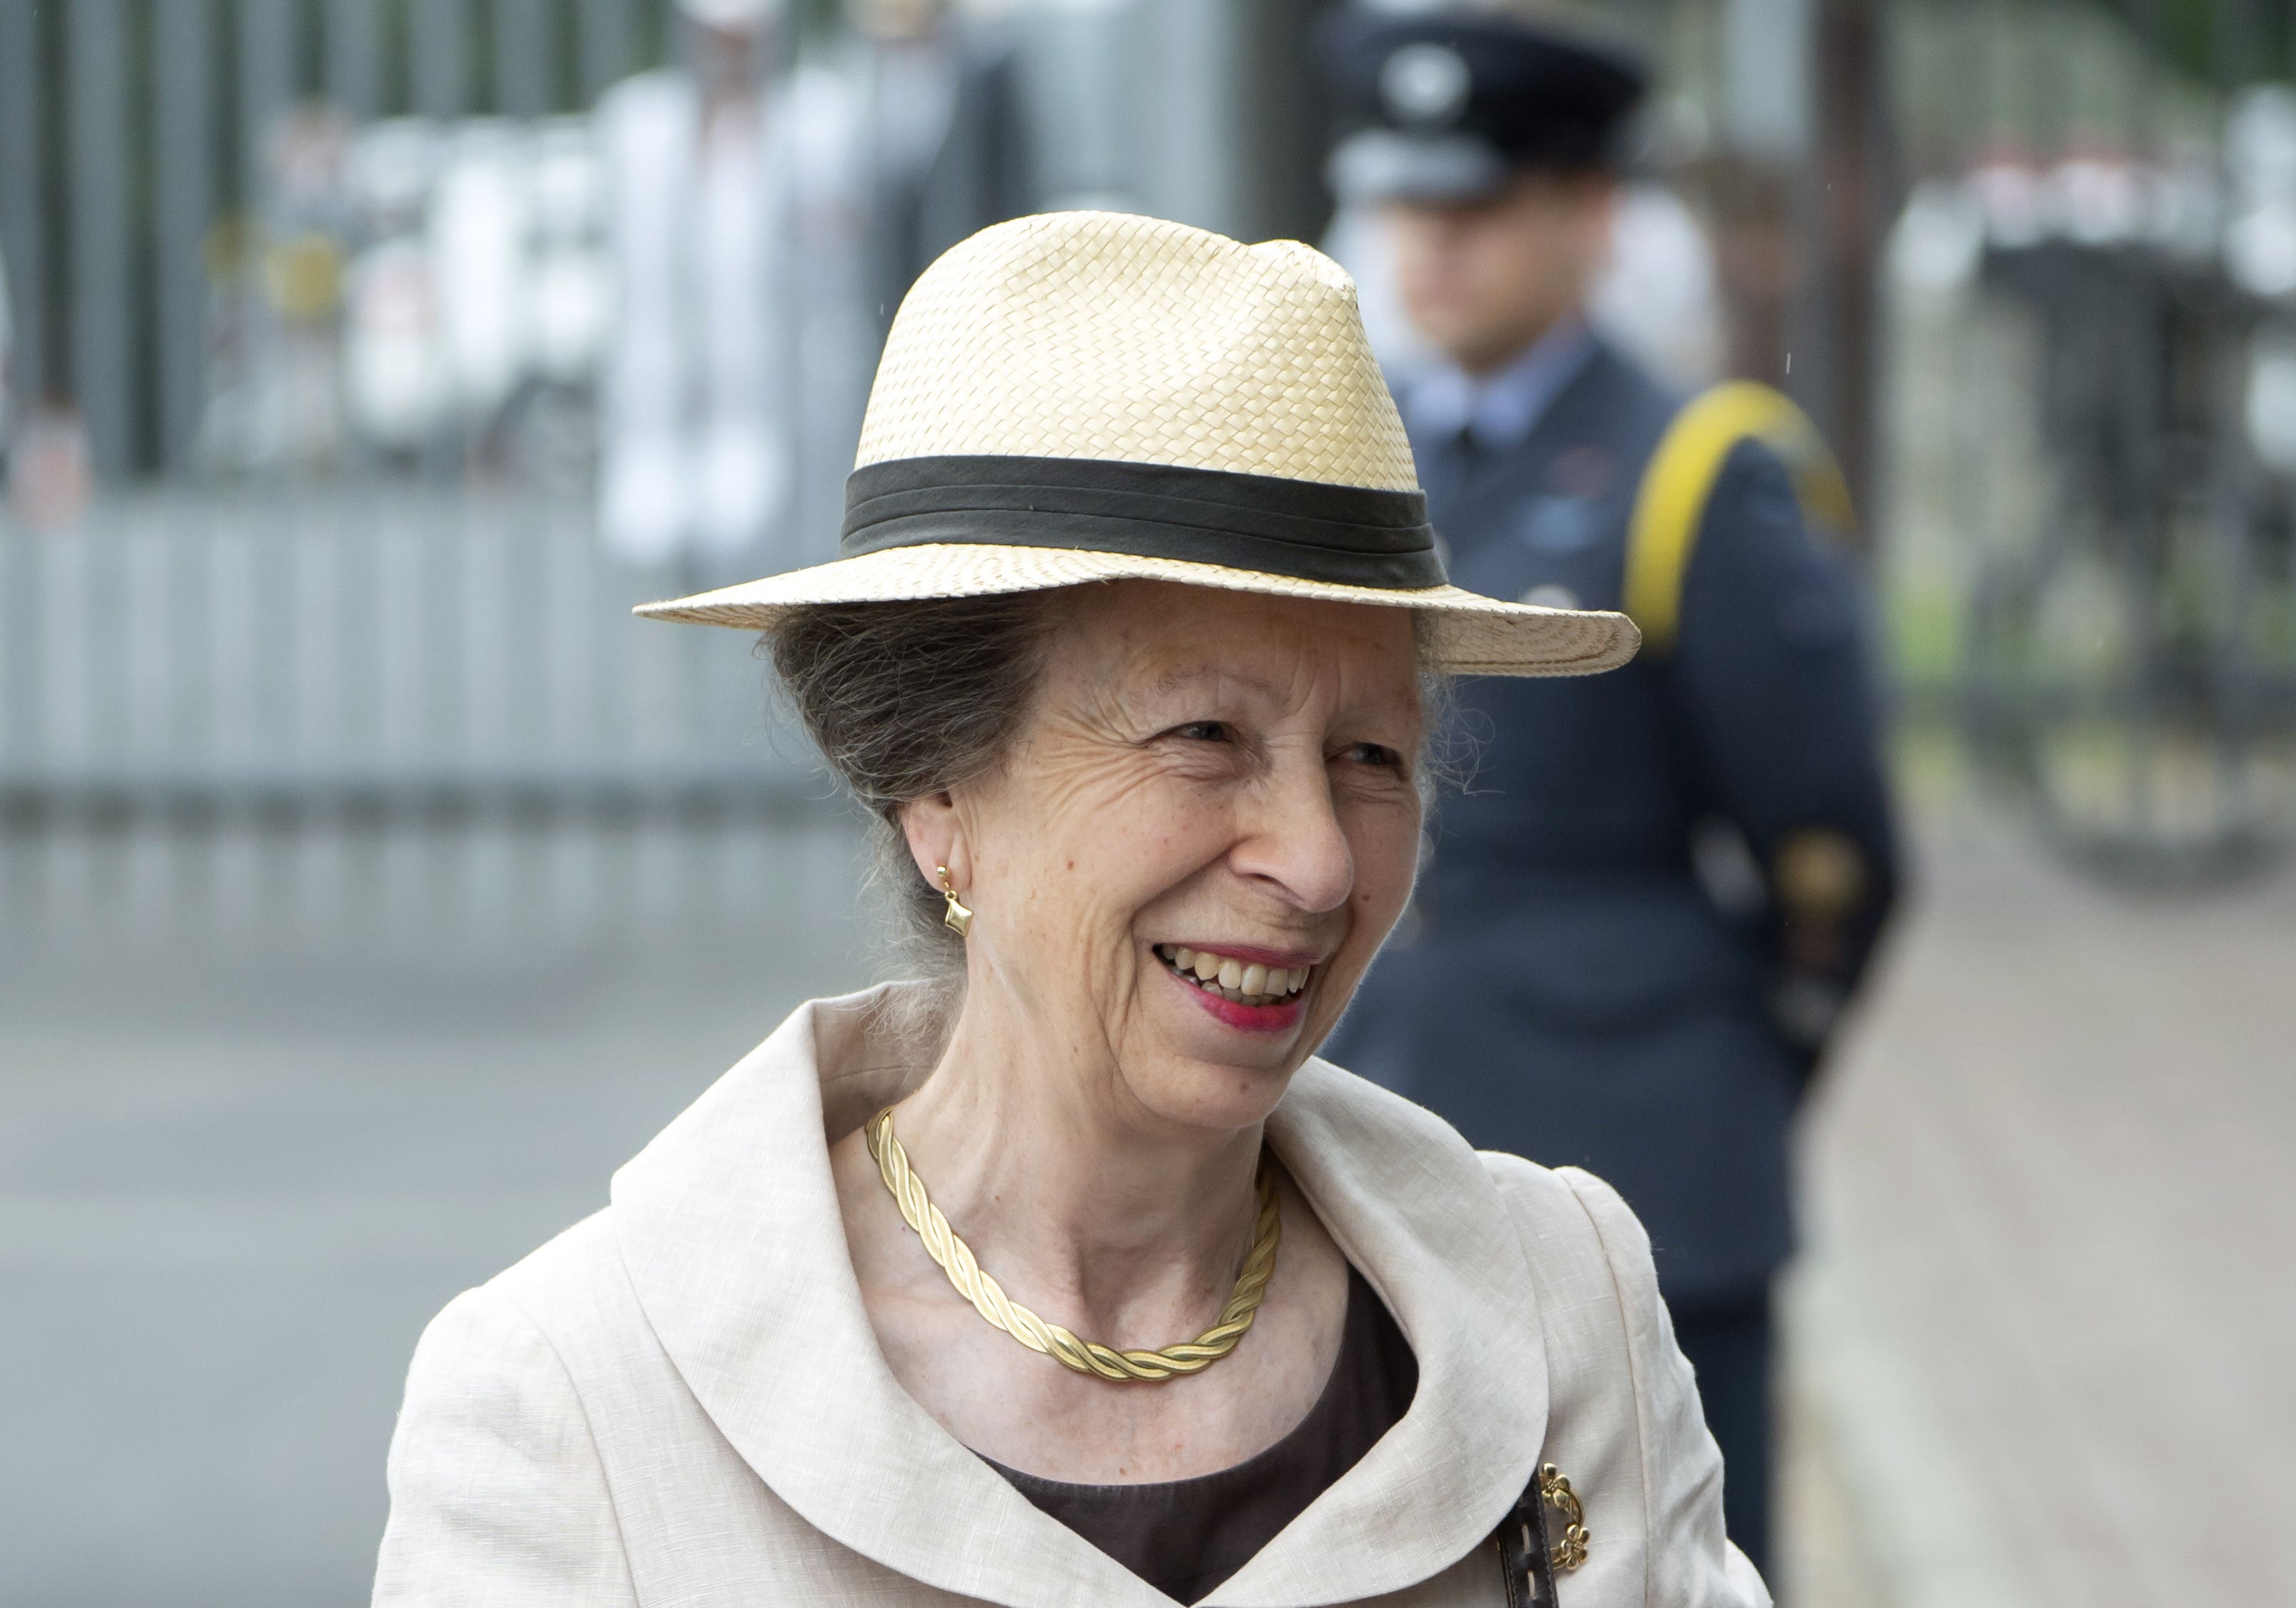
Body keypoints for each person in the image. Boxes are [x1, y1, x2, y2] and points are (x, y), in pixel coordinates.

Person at [372, 210, 1768, 1608]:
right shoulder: (580, 1406)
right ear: (933, 784)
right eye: (1203, 736)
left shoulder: (1559, 1310)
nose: (1318, 862)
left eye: (1370, 757)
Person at [1317, 4, 1901, 1585]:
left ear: (1587, 215)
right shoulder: (1349, 458)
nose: (1428, 248)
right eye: (1404, 206)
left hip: (1644, 1150)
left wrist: (1739, 1067)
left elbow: (1833, 847)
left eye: (1477, 207)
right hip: (1387, 1127)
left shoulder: (1700, 468)